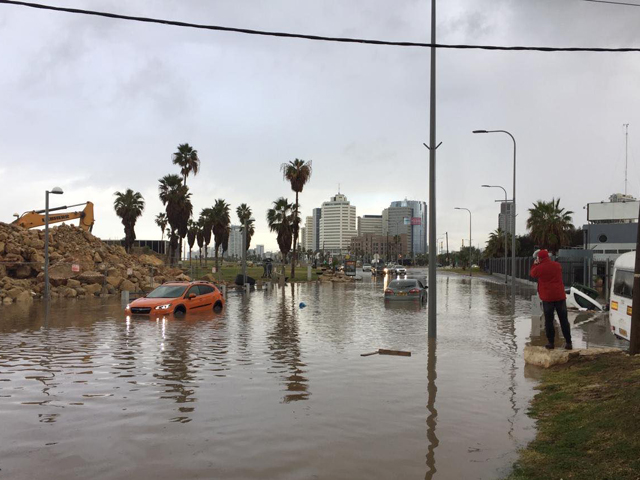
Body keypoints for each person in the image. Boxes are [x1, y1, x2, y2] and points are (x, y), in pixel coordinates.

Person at [530, 249, 573, 350]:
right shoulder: (557, 265)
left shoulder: (539, 268)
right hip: (560, 297)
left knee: (549, 321)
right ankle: (568, 342)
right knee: (564, 320)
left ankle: (551, 343)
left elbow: (532, 274)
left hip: (548, 298)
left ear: (539, 258)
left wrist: (535, 264)